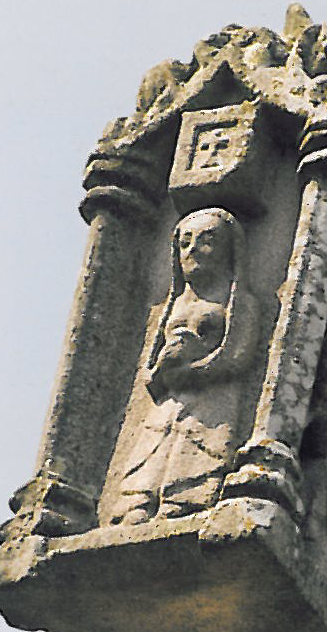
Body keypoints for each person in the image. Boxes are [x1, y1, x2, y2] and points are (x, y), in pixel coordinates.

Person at [108, 208, 257, 526]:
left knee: (195, 453)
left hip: (211, 400)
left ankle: (182, 502)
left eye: (207, 240)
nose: (193, 250)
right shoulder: (173, 305)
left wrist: (196, 366)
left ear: (229, 250)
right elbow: (148, 368)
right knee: (153, 453)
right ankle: (139, 504)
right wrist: (162, 370)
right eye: (185, 242)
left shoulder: (238, 301)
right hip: (169, 399)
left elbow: (237, 356)